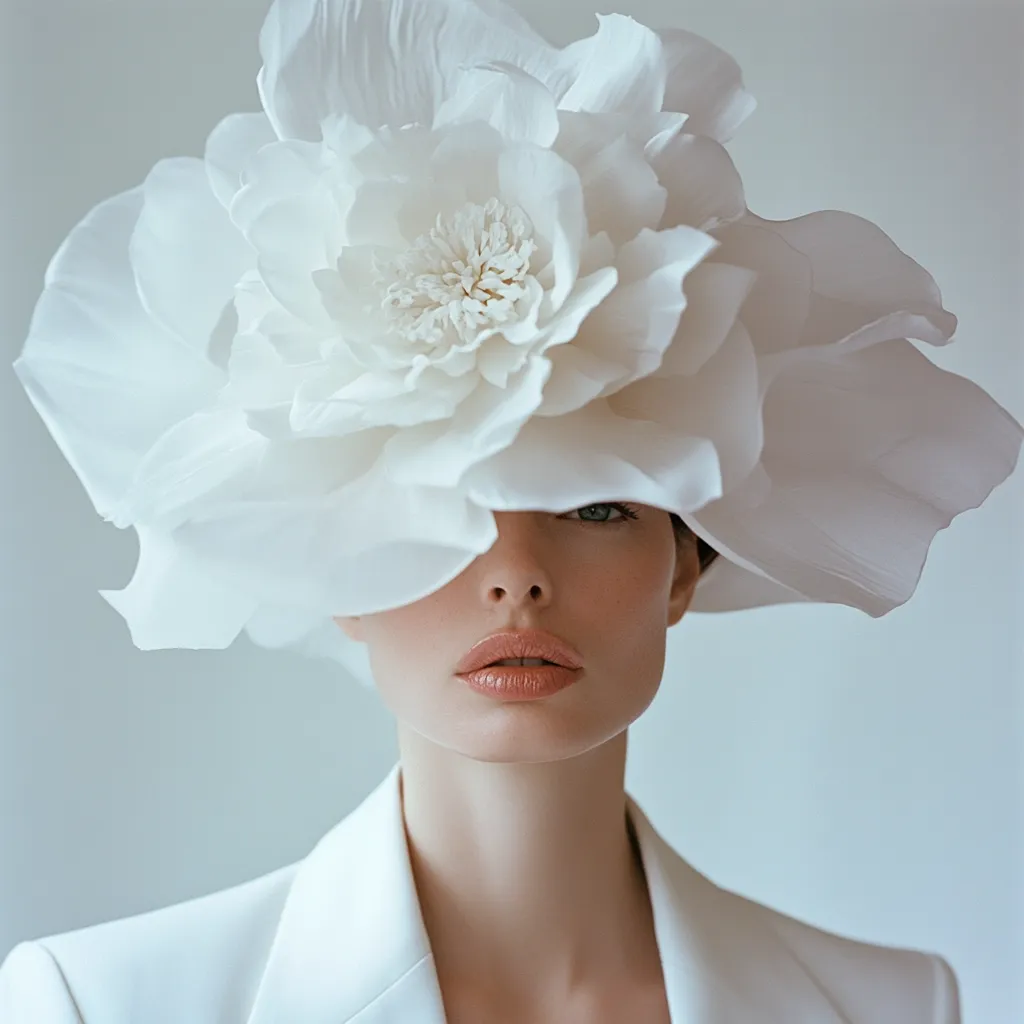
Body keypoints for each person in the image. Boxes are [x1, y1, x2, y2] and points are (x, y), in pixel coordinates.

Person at [1, 0, 1019, 1020]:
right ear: (333, 571)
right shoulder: (101, 1002)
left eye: (595, 505)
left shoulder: (891, 1004)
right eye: (447, 503)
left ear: (685, 564)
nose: (514, 571)